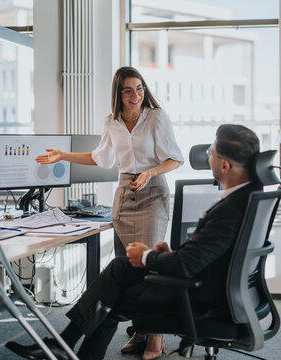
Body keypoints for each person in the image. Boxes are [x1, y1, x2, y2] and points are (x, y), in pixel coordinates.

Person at [6, 124, 261, 360]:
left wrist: (147, 257)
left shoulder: (231, 208)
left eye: (211, 152)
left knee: (109, 299)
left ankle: (61, 345)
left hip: (198, 297)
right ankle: (62, 345)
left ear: (225, 166)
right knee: (116, 275)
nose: (208, 156)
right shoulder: (249, 198)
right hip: (210, 286)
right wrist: (168, 254)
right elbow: (213, 253)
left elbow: (188, 265)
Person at [33, 66, 183, 357]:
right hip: (125, 192)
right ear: (118, 93)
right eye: (128, 90)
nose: (135, 95)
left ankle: (156, 336)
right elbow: (102, 158)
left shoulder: (156, 117)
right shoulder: (112, 121)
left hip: (153, 192)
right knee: (126, 272)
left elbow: (175, 159)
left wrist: (150, 173)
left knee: (148, 267)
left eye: (139, 88)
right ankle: (140, 331)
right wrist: (63, 155)